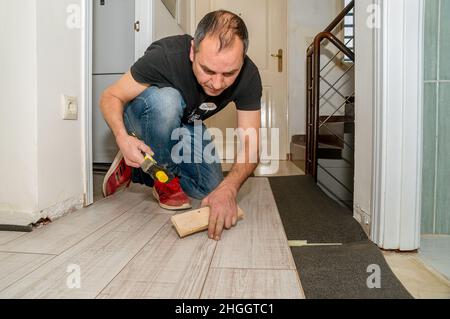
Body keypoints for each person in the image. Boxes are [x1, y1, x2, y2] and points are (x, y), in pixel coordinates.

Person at [100, 10, 262, 241]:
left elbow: (251, 144)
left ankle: (138, 167)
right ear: (192, 51)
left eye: (229, 73)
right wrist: (122, 137)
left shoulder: (249, 76)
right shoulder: (165, 56)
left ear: (242, 59)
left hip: (188, 124)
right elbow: (110, 96)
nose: (217, 84)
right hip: (147, 115)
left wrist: (229, 189)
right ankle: (160, 174)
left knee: (211, 188)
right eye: (208, 70)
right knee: (167, 102)